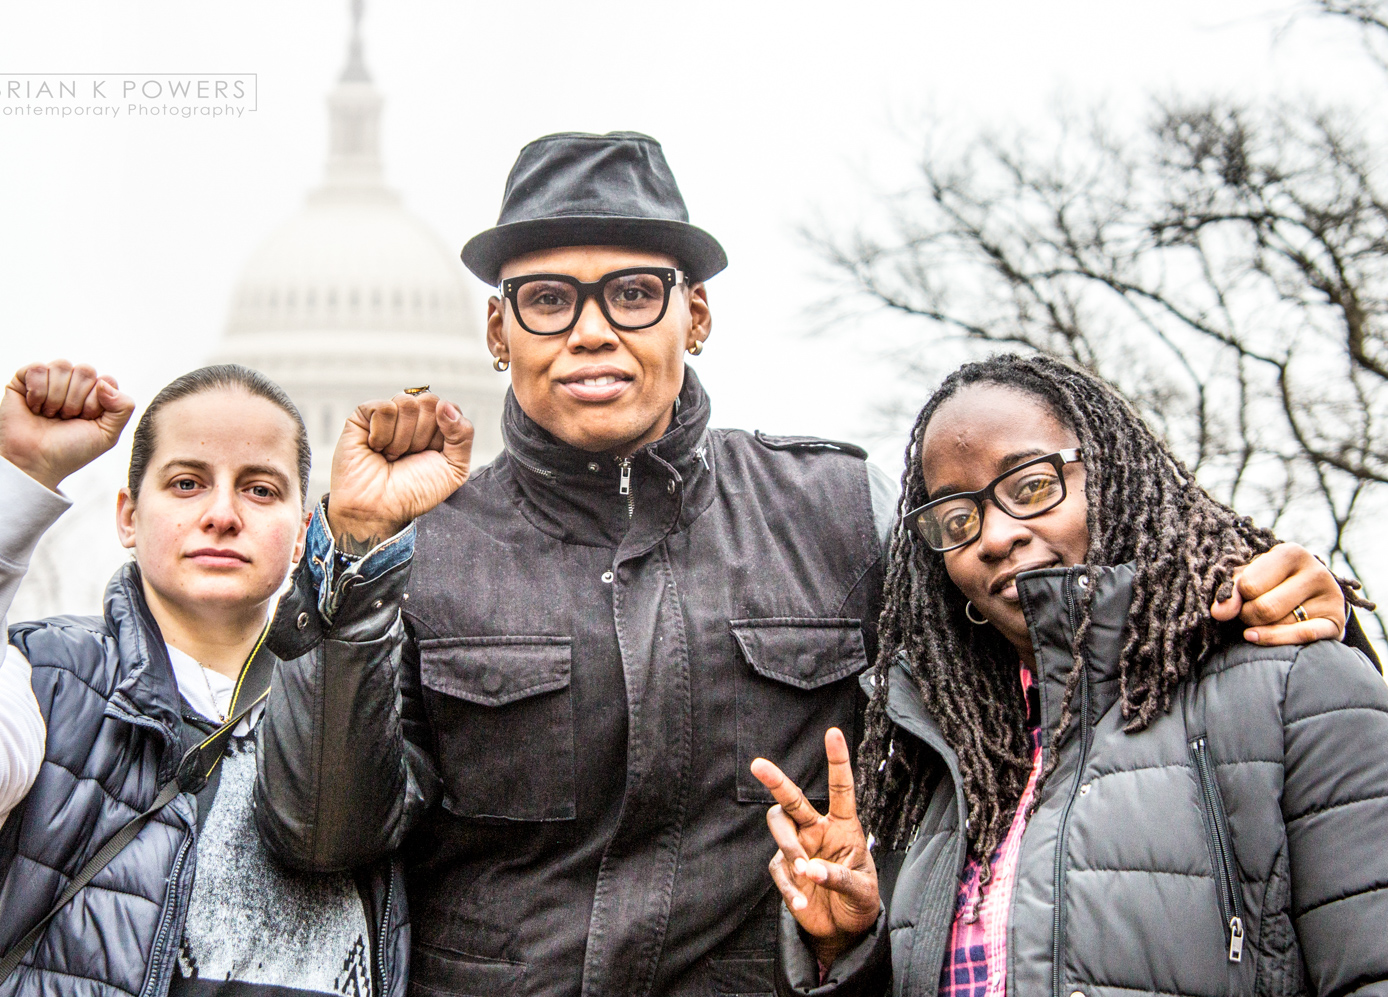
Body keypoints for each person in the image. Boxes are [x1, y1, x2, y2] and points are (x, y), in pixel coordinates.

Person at [253, 133, 1355, 997]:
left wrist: (1274, 608)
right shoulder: (421, 547)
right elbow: (324, 832)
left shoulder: (839, 510)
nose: (591, 332)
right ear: (499, 332)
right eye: (549, 300)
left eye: (632, 294)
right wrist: (351, 563)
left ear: (696, 314)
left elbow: (1045, 658)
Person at [753, 353, 1388, 997]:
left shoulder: (1291, 687)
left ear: (1111, 476)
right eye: (956, 519)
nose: (994, 537)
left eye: (1030, 486)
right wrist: (848, 948)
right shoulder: (941, 764)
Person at [0, 360, 472, 996]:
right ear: (128, 517)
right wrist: (20, 480)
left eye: (261, 490)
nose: (221, 514)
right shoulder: (44, 679)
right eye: (188, 483)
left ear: (305, 534)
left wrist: (361, 539)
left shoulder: (369, 713)